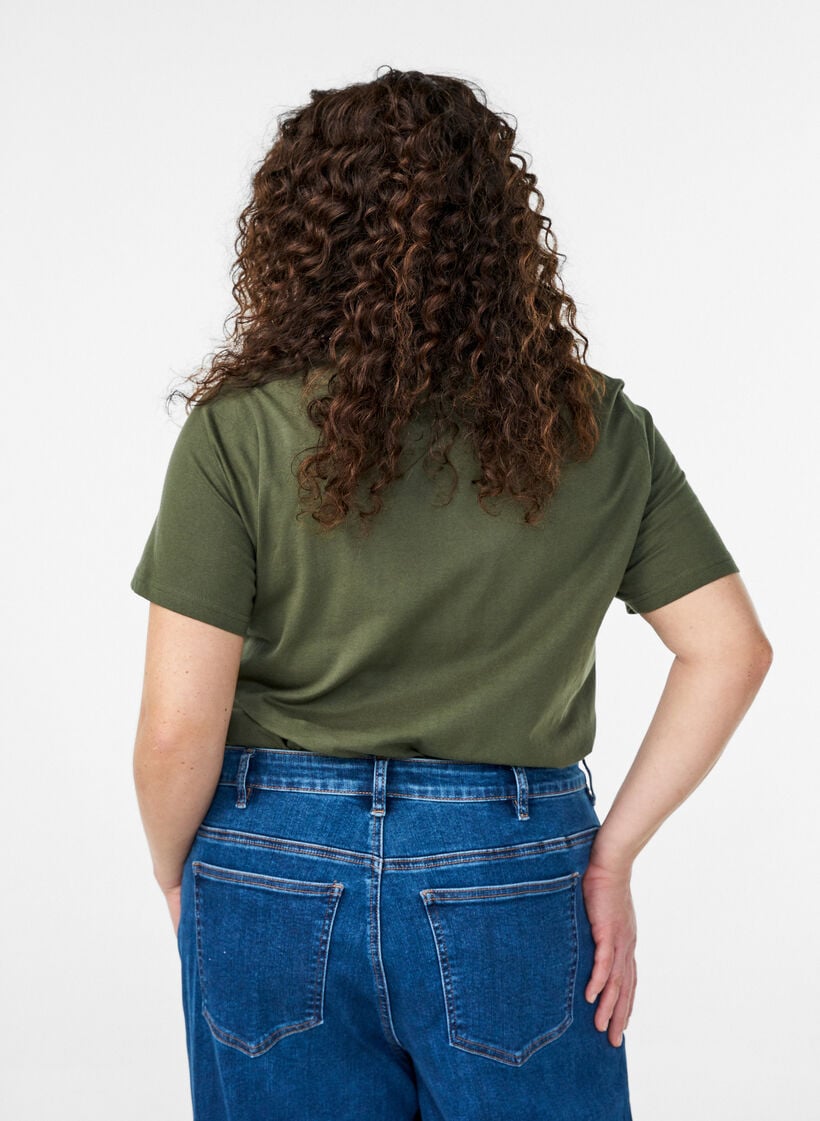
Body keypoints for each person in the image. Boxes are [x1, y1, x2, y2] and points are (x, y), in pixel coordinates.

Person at [130, 67, 772, 1121]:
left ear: (298, 234)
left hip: (270, 857)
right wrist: (609, 855)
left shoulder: (239, 430)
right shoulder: (595, 429)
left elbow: (173, 730)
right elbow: (730, 649)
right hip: (514, 861)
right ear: (499, 235)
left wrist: (182, 871)